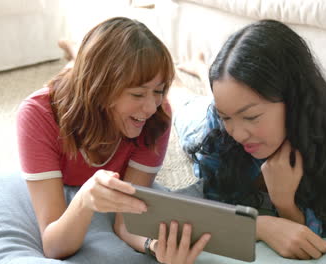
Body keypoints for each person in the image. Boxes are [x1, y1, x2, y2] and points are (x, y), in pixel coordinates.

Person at [170, 19, 326, 260]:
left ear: (294, 101)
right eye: (226, 116)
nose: (237, 134)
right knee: (182, 106)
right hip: (206, 119)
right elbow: (213, 199)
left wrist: (284, 202)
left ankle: (201, 70)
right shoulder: (219, 131)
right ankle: (182, 79)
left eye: (252, 117)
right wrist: (260, 225)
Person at [16, 16, 210, 261]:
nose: (151, 106)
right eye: (138, 94)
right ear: (101, 89)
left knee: (86, 72)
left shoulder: (157, 116)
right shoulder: (38, 115)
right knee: (74, 74)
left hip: (89, 84)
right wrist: (84, 200)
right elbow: (54, 247)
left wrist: (153, 245)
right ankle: (75, 51)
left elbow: (125, 223)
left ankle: (79, 54)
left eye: (159, 91)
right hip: (78, 93)